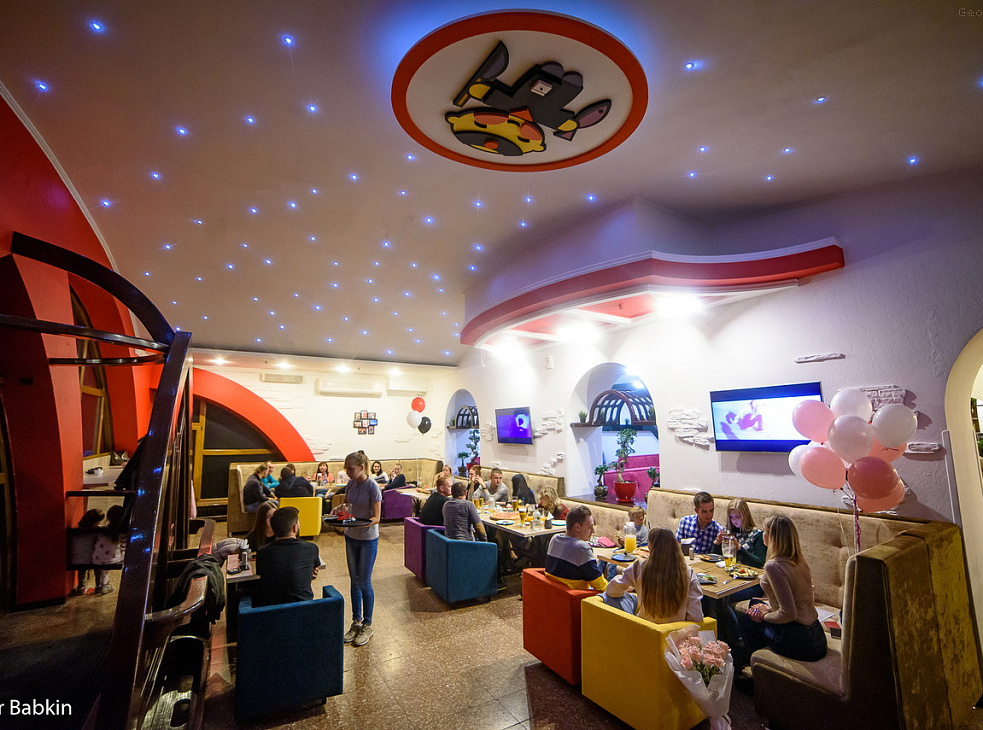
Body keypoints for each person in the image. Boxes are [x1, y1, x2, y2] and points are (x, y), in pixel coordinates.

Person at [735, 515, 827, 670]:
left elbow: (788, 613)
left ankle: (751, 669)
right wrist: (767, 609)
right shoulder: (800, 561)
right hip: (817, 636)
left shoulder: (774, 566)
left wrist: (764, 615)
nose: (762, 534)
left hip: (800, 640)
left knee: (748, 619)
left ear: (772, 536)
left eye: (764, 531)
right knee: (754, 604)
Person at [603, 527, 704, 623]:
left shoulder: (638, 567)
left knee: (624, 598)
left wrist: (634, 587)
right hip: (675, 633)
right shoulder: (688, 572)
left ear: (650, 546)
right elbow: (695, 616)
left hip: (645, 630)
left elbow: (611, 590)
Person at [334, 450, 382, 647]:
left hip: (367, 538)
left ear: (362, 467)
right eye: (346, 468)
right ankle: (356, 621)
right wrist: (339, 510)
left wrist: (360, 524)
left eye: (350, 468)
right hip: (351, 537)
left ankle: (367, 624)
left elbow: (376, 517)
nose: (347, 472)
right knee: (354, 581)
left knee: (364, 581)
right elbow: (348, 506)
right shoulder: (351, 484)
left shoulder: (373, 487)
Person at [254, 506, 321, 607]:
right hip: (304, 609)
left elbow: (262, 576)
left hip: (271, 611)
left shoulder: (262, 552)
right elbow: (312, 573)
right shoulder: (311, 548)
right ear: (295, 527)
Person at [544, 506, 607, 591]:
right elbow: (600, 585)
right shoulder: (582, 548)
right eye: (590, 527)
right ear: (577, 527)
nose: (593, 531)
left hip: (552, 592)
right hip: (576, 596)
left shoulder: (554, 539)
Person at [710, 498, 766, 568]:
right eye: (731, 517)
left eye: (738, 517)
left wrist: (739, 548)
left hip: (747, 571)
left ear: (746, 515)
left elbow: (760, 562)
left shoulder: (757, 534)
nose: (734, 520)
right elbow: (714, 558)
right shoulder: (727, 531)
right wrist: (717, 543)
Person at [92, 504, 127, 594]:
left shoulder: (102, 530)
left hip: (97, 558)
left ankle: (101, 585)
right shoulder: (123, 531)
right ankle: (105, 585)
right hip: (114, 559)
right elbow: (124, 547)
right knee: (111, 557)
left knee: (104, 560)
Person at [71, 508, 104, 596]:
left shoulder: (78, 530)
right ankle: (99, 586)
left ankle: (81, 588)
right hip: (93, 559)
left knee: (82, 569)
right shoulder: (96, 531)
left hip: (78, 559)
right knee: (98, 564)